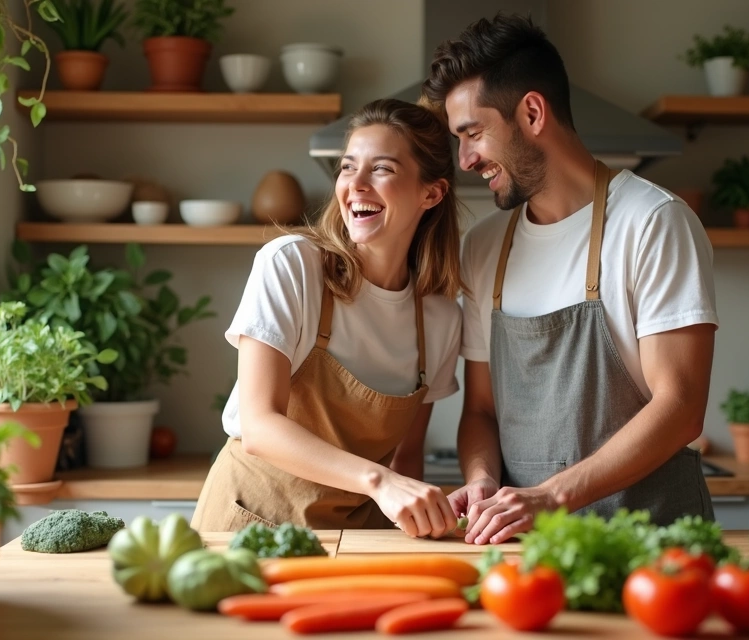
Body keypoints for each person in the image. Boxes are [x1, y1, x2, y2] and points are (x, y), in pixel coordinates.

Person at [420, 14, 719, 545]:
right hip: (528, 554)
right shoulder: (485, 246)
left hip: (651, 543)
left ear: (532, 113)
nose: (465, 159)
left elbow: (680, 408)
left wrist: (550, 497)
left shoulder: (652, 223)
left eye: (473, 133)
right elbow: (482, 410)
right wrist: (483, 480)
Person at [191, 98, 465, 538]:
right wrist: (381, 482)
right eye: (347, 167)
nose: (355, 184)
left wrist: (418, 525)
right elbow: (259, 425)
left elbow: (406, 460)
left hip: (358, 537)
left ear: (430, 193)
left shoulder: (440, 320)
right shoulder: (291, 265)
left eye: (382, 169)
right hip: (248, 523)